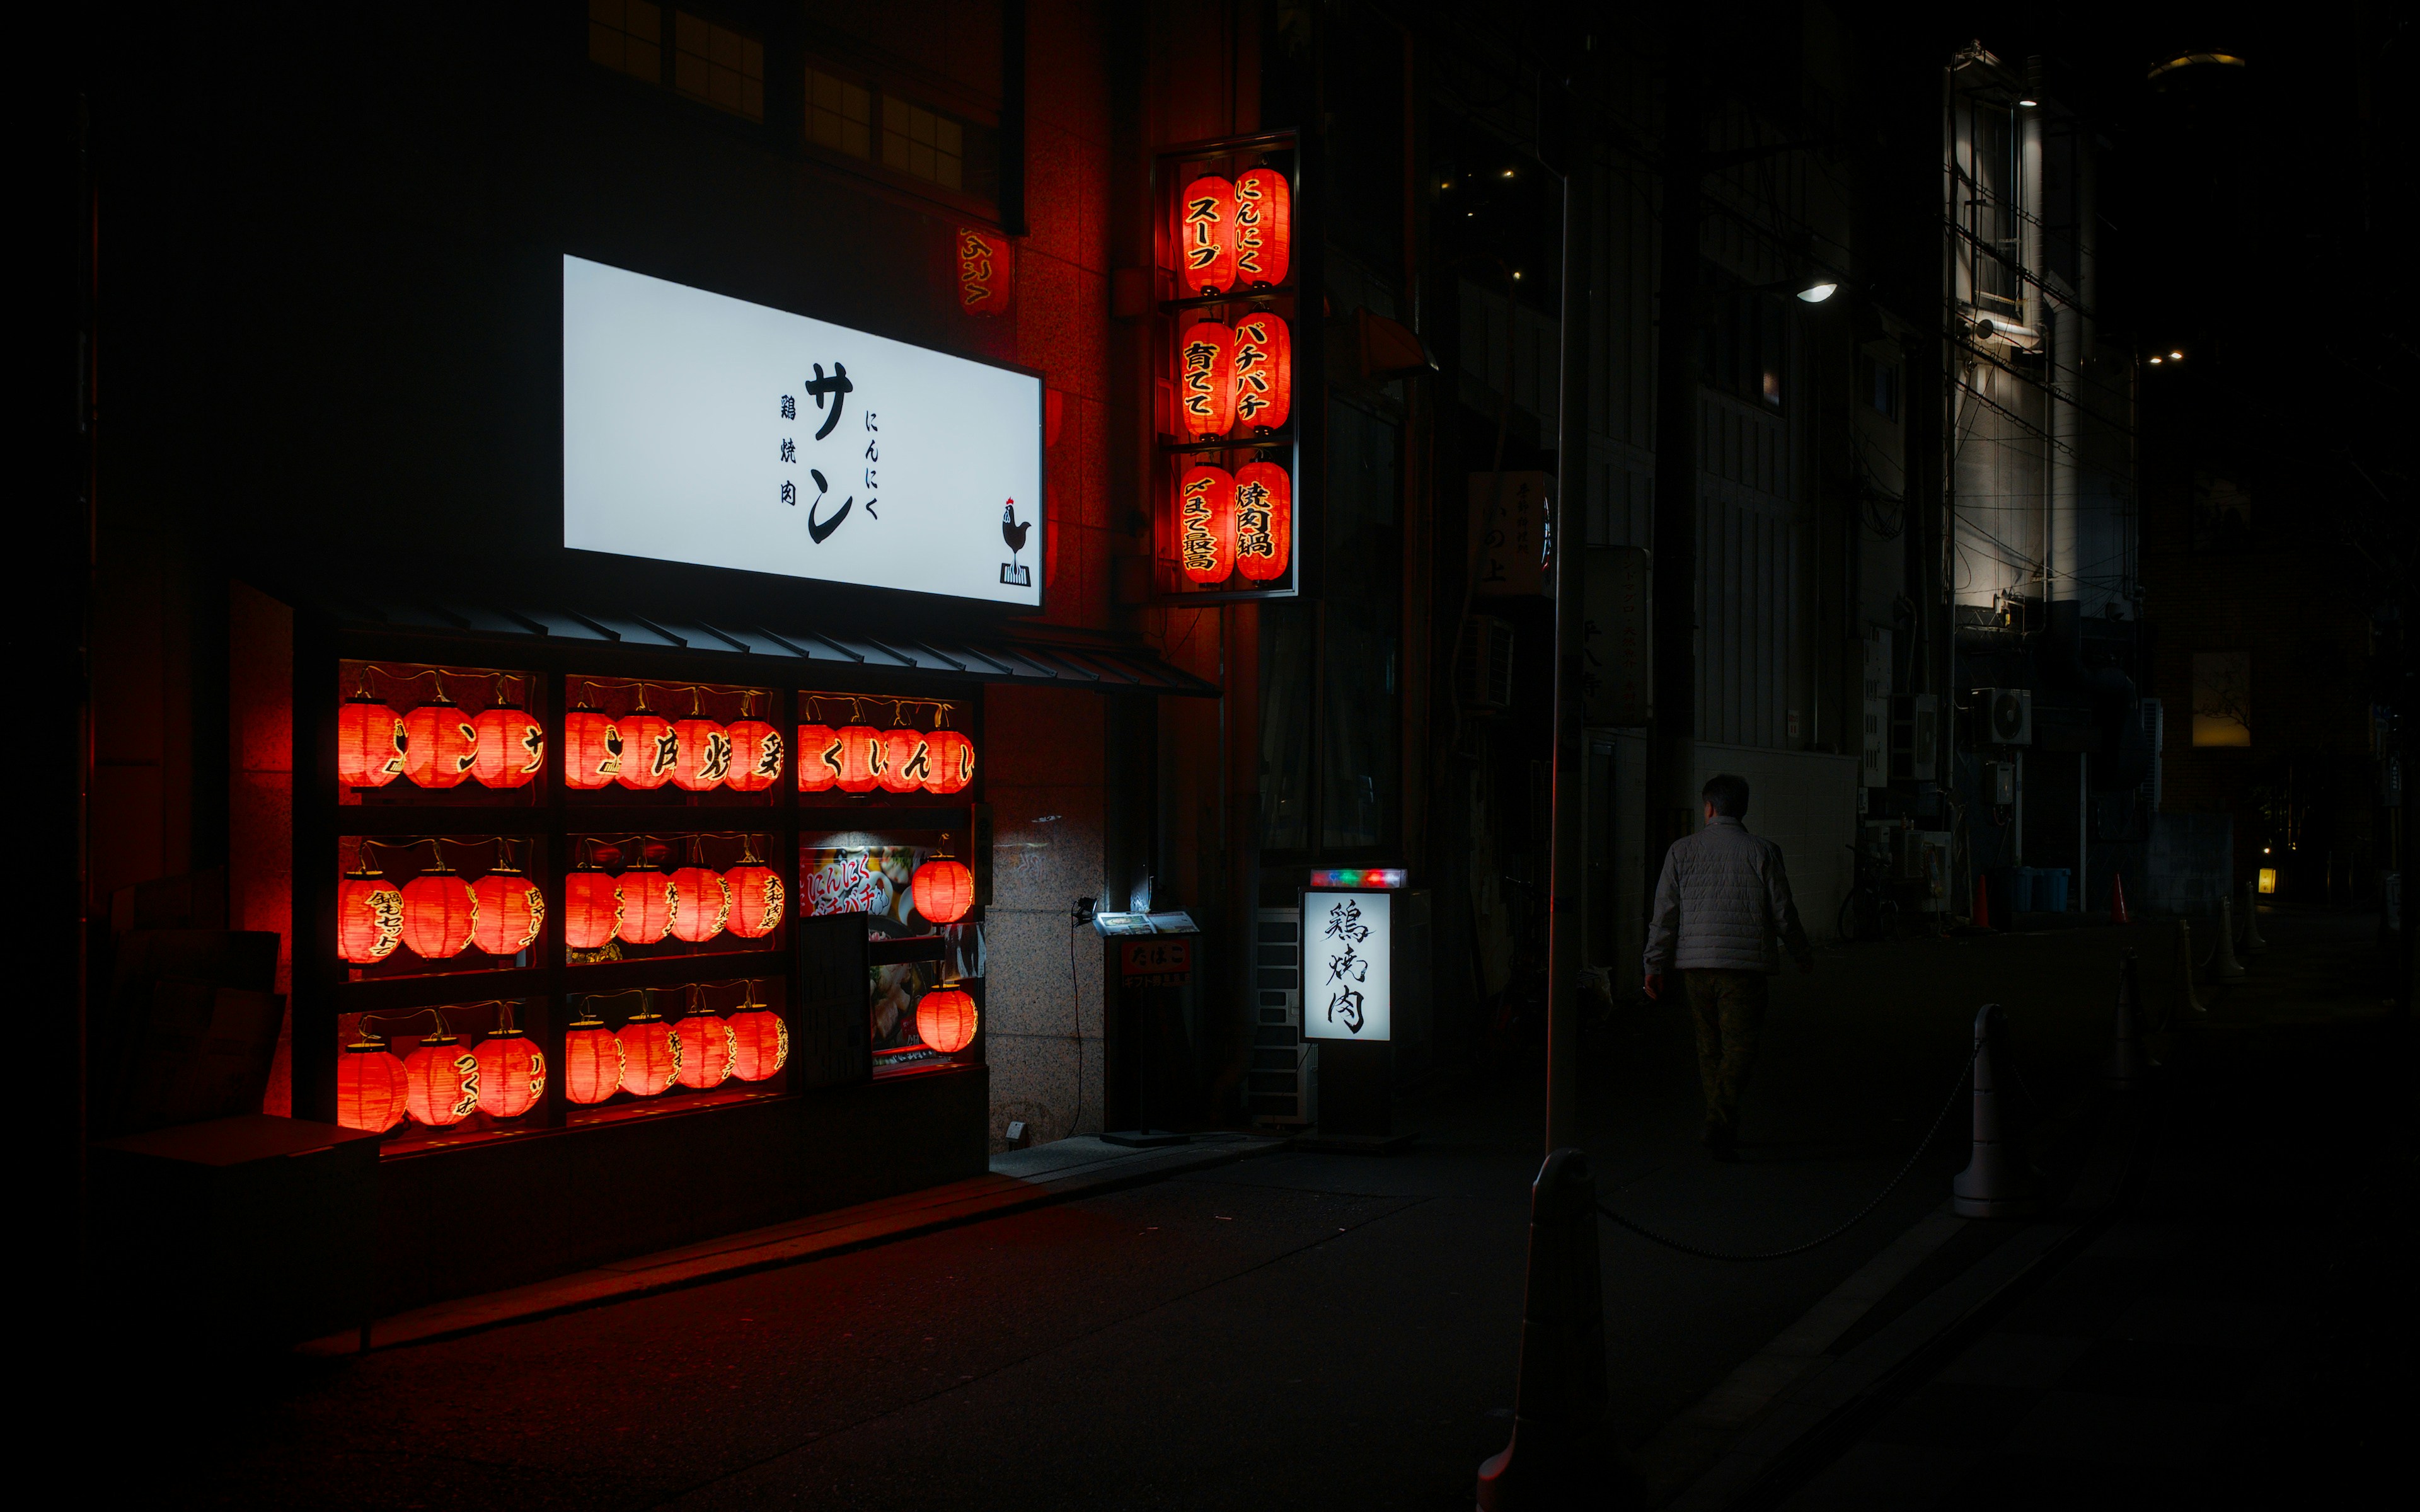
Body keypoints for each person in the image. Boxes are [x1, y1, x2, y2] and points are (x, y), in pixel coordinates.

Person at [1642, 773, 1814, 1159]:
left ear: (1709, 807)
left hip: (1696, 968)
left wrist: (1654, 963)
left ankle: (1720, 1122)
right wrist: (1801, 952)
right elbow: (1784, 912)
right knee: (1741, 1048)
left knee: (1710, 1049)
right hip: (1744, 968)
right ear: (1742, 808)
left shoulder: (1681, 851)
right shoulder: (1763, 851)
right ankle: (1720, 1121)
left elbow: (1664, 914)